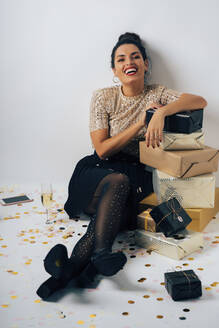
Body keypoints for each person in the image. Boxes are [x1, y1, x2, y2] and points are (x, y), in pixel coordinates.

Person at [36, 32, 207, 299]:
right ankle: (102, 255)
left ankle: (62, 276)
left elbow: (199, 101)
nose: (130, 61)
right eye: (121, 58)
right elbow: (103, 149)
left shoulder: (158, 93)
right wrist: (142, 121)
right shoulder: (103, 97)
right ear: (114, 70)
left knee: (100, 225)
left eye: (136, 56)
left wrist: (160, 111)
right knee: (116, 183)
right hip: (98, 171)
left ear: (146, 64)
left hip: (135, 175)